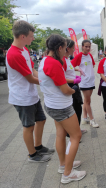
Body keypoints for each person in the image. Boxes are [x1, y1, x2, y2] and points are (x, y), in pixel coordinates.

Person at [38, 34, 86, 184]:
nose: (66, 51)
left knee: (60, 134)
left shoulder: (45, 60)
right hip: (61, 106)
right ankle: (68, 174)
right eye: (65, 48)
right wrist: (74, 90)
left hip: (52, 104)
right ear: (59, 48)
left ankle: (63, 164)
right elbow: (65, 90)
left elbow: (59, 79)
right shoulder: (54, 63)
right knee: (76, 136)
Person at [5, 20, 54, 163]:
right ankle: (32, 155)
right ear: (22, 36)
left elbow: (33, 71)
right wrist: (51, 83)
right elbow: (30, 78)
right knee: (28, 126)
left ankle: (38, 146)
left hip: (31, 95)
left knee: (41, 120)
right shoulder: (13, 54)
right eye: (31, 36)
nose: (33, 38)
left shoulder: (24, 50)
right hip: (22, 97)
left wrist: (46, 77)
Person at [62, 39, 87, 140]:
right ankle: (72, 134)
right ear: (67, 48)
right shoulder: (63, 60)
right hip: (70, 86)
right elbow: (61, 77)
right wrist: (73, 80)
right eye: (73, 48)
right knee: (74, 110)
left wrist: (77, 69)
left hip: (74, 85)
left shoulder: (67, 59)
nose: (74, 50)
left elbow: (70, 68)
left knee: (78, 109)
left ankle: (77, 130)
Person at [71, 40, 99, 128]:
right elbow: (70, 66)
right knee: (87, 102)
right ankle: (92, 120)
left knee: (87, 101)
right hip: (85, 82)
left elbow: (93, 65)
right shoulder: (79, 55)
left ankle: (84, 118)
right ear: (82, 46)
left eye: (89, 46)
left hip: (91, 81)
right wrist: (78, 69)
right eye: (86, 46)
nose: (87, 48)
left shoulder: (90, 55)